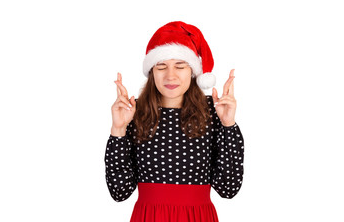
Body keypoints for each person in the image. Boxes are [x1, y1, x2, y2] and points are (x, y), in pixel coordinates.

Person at [104, 21, 244, 222]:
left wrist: (228, 125)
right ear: (152, 72)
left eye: (180, 66)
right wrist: (118, 129)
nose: (171, 75)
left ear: (193, 71)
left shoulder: (212, 112)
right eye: (162, 66)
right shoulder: (135, 113)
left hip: (198, 217)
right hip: (149, 217)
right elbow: (120, 191)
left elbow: (228, 188)